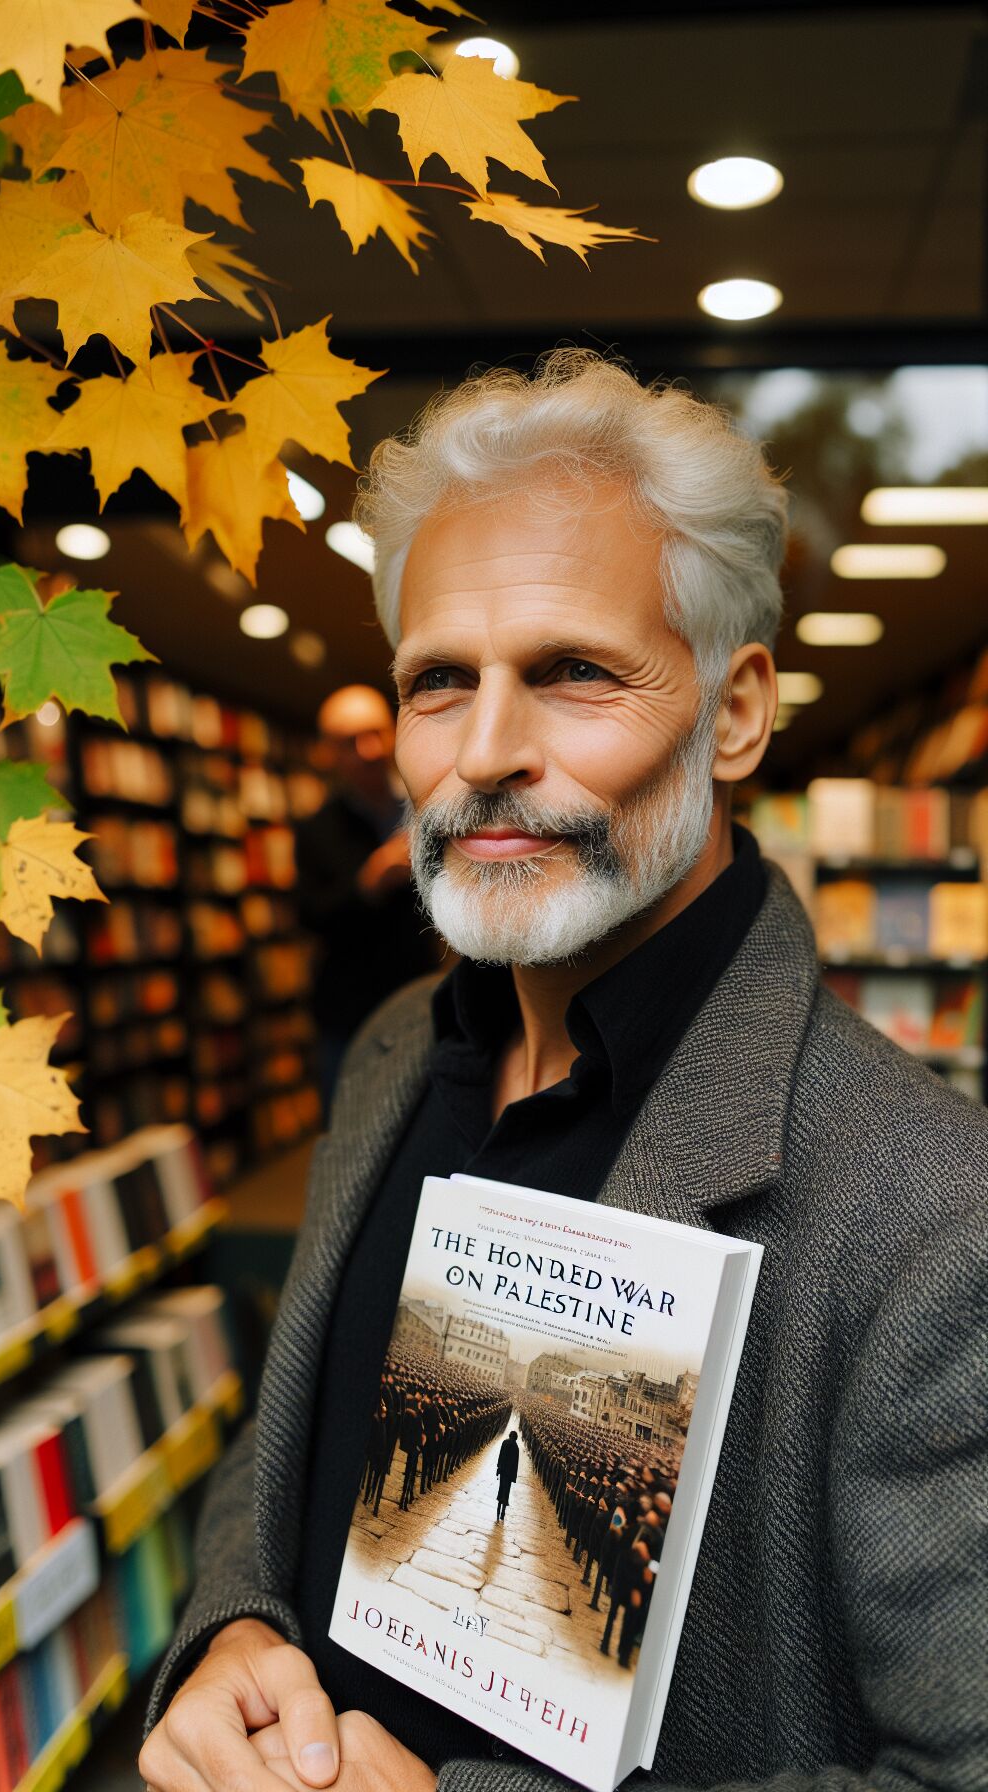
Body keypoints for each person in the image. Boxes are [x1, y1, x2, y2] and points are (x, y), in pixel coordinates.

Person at [140, 350, 986, 1792]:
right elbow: (290, 1460)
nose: (483, 752)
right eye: (437, 683)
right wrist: (232, 1627)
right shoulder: (403, 1051)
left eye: (574, 673)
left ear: (735, 713)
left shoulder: (927, 1215)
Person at [293, 683, 437, 1112]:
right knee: (351, 1130)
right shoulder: (315, 827)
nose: (369, 750)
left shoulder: (427, 804)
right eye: (349, 742)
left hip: (424, 995)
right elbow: (310, 916)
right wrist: (370, 882)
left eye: (375, 733)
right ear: (329, 753)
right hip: (349, 1012)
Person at [495, 1429, 519, 1520]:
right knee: (507, 1490)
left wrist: (498, 1468)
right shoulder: (516, 1447)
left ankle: (499, 1506)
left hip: (503, 1471)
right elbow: (515, 1463)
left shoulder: (505, 1443)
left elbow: (501, 1456)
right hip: (509, 1473)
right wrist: (514, 1477)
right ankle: (503, 1511)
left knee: (501, 1488)